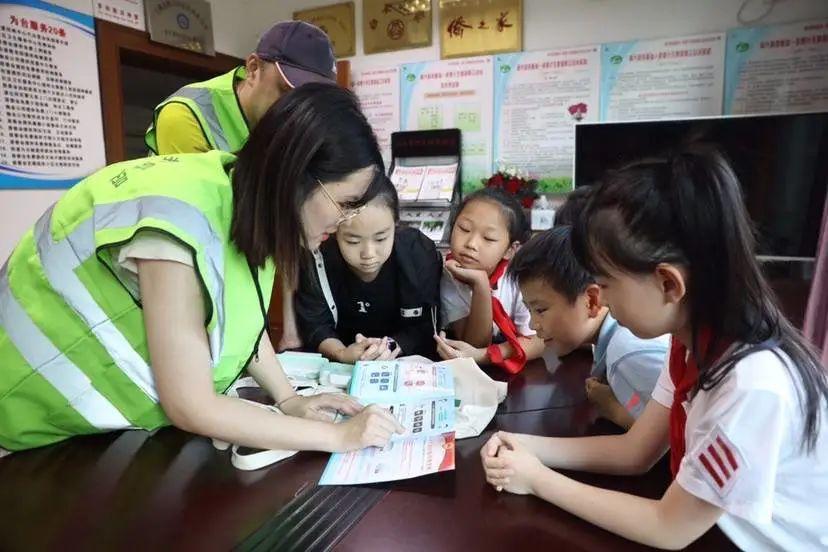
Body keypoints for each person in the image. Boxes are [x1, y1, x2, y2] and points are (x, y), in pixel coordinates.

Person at [0, 84, 404, 456]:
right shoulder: (177, 221)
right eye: (345, 204)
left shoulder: (246, 201)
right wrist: (339, 437)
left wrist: (289, 399)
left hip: (90, 435)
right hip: (22, 420)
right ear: (295, 176)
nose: (344, 221)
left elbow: (244, 323)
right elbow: (191, 405)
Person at [481, 145, 828, 550]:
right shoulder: (688, 346)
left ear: (668, 284)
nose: (601, 300)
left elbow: (669, 526)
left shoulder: (752, 385)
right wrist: (524, 445)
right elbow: (635, 452)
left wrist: (537, 480)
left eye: (606, 284)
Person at [144, 20, 336, 351]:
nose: (292, 112)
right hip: (183, 267)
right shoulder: (186, 115)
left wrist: (288, 329)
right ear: (253, 68)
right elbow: (208, 224)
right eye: (285, 93)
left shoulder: (286, 126)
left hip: (244, 272)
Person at [508, 226, 668, 429]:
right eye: (529, 310)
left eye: (540, 310)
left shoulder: (628, 354)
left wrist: (614, 409)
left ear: (591, 301)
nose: (533, 324)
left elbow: (681, 433)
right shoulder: (613, 338)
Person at [295, 184, 442, 363]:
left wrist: (389, 347)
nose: (368, 254)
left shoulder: (418, 252)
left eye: (381, 239)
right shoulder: (319, 255)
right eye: (353, 241)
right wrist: (341, 353)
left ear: (395, 225)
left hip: (407, 362)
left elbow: (426, 325)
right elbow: (315, 324)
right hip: (339, 362)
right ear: (335, 231)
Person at [435, 188, 544, 373]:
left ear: (510, 250)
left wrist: (488, 354)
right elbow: (473, 343)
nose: (471, 244)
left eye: (488, 238)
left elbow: (540, 339)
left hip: (516, 373)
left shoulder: (521, 276)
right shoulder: (447, 274)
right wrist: (481, 286)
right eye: (464, 229)